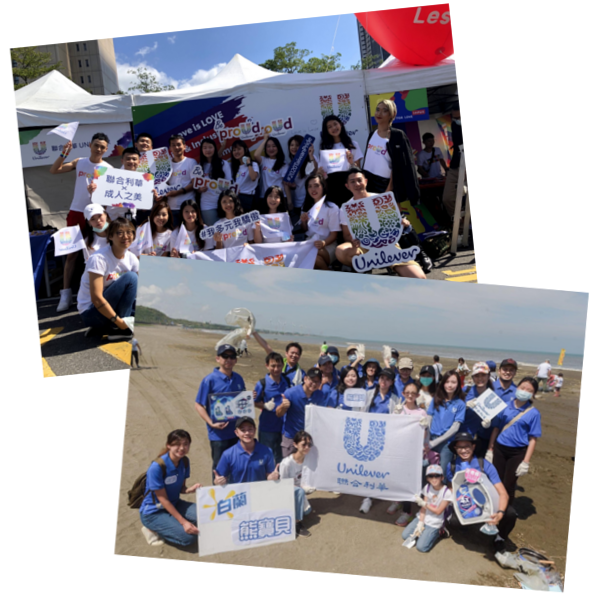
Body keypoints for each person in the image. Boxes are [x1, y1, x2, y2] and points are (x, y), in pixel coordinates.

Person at [214, 417, 312, 538]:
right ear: (236, 433)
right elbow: (218, 479)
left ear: (255, 430)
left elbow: (270, 475)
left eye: (250, 429)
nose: (247, 433)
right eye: (243, 430)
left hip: (261, 494)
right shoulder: (228, 454)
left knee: (298, 492)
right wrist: (218, 481)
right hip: (240, 498)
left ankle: (296, 523)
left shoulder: (266, 451)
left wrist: (272, 477)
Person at [50, 133, 111, 312]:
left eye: (102, 147)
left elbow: (108, 199)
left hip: (97, 215)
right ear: (90, 145)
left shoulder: (108, 168)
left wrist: (96, 193)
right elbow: (54, 171)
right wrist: (63, 154)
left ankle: (98, 292)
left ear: (106, 149)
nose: (99, 149)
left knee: (99, 252)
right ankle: (66, 294)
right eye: (96, 145)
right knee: (72, 254)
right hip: (76, 212)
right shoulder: (80, 162)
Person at [335, 168, 426, 279]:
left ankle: (392, 265)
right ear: (347, 186)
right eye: (352, 181)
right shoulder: (345, 208)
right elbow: (346, 235)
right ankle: (365, 267)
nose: (357, 184)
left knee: (419, 277)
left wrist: (402, 223)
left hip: (388, 246)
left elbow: (394, 225)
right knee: (340, 250)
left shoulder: (381, 199)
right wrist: (353, 241)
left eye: (359, 180)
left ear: (366, 181)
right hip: (362, 247)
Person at [445, 432, 515, 551]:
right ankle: (472, 526)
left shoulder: (485, 465)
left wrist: (500, 513)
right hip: (466, 502)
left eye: (467, 446)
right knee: (454, 522)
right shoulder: (451, 466)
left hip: (487, 502)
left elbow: (503, 494)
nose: (463, 450)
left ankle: (500, 538)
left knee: (511, 513)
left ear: (473, 447)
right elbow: (451, 487)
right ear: (455, 449)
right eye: (460, 447)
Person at [76, 217, 138, 342]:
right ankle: (117, 328)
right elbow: (96, 298)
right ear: (110, 236)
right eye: (119, 233)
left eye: (129, 232)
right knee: (131, 277)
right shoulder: (99, 258)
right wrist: (120, 322)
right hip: (91, 312)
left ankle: (104, 326)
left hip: (107, 308)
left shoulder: (131, 258)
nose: (125, 236)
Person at [139, 429, 202, 547]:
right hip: (154, 512)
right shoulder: (157, 467)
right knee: (189, 537)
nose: (182, 448)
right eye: (177, 444)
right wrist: (183, 522)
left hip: (174, 503)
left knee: (204, 515)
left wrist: (189, 490)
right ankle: (151, 529)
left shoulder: (184, 461)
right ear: (168, 445)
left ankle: (171, 522)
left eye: (185, 444)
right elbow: (163, 499)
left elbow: (181, 488)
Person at [194, 343, 246, 483]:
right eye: (225, 356)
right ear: (218, 358)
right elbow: (199, 404)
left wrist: (249, 399)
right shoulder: (209, 380)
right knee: (219, 469)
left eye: (232, 356)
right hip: (218, 434)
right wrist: (211, 423)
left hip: (236, 433)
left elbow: (242, 404)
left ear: (235, 360)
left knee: (236, 465)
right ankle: (217, 498)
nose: (228, 359)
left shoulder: (239, 379)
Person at [487, 377, 542, 506]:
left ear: (533, 394)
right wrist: (490, 449)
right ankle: (493, 506)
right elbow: (496, 428)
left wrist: (526, 462)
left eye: (529, 390)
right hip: (500, 448)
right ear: (517, 388)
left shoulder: (534, 413)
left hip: (517, 452)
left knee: (509, 484)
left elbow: (533, 439)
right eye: (522, 388)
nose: (524, 391)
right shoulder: (505, 405)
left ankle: (505, 511)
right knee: (496, 480)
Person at [358, 368, 401, 514]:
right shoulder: (368, 394)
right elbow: (360, 414)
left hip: (385, 439)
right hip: (368, 437)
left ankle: (381, 491)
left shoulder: (395, 399)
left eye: (387, 379)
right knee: (368, 467)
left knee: (381, 468)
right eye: (382, 378)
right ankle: (367, 498)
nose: (384, 381)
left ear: (392, 382)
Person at [389, 381, 430, 526]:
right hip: (399, 450)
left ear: (418, 395)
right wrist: (395, 415)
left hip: (413, 453)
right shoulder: (398, 409)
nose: (410, 395)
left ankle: (407, 512)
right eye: (407, 393)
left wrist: (425, 429)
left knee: (408, 482)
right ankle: (398, 500)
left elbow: (425, 435)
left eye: (413, 393)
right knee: (397, 478)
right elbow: (392, 429)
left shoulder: (421, 413)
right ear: (403, 394)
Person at [401, 464, 452, 552]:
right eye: (430, 476)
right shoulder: (427, 488)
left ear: (442, 477)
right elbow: (423, 508)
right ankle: (423, 533)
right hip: (424, 517)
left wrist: (424, 503)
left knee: (421, 547)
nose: (434, 478)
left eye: (437, 476)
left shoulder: (446, 492)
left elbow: (438, 511)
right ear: (427, 478)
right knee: (405, 536)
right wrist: (420, 522)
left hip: (435, 522)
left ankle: (438, 532)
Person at [278, 368, 326, 458]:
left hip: (309, 439)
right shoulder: (291, 393)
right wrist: (283, 406)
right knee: (288, 467)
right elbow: (278, 414)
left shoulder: (320, 395)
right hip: (291, 437)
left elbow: (320, 416)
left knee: (305, 469)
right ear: (305, 379)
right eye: (311, 380)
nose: (314, 384)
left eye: (317, 381)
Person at [427, 370, 466, 482]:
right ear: (443, 383)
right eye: (447, 381)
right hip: (430, 438)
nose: (450, 385)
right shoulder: (436, 398)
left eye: (453, 382)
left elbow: (455, 427)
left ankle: (442, 495)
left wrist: (435, 442)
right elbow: (429, 417)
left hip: (447, 444)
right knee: (428, 467)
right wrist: (427, 438)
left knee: (442, 472)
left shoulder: (460, 404)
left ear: (458, 384)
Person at [317, 115, 363, 207]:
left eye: (335, 124)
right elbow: (324, 173)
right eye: (329, 127)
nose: (334, 128)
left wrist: (351, 163)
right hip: (333, 188)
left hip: (350, 187)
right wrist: (320, 173)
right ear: (326, 130)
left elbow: (358, 170)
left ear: (341, 125)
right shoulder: (324, 148)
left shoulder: (353, 144)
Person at [253, 352, 290, 465]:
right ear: (267, 366)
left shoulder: (287, 381)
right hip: (267, 427)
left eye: (279, 365)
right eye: (273, 366)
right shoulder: (262, 384)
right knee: (266, 457)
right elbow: (254, 401)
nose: (276, 369)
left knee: (280, 459)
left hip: (283, 428)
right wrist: (264, 406)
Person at [299, 173, 341, 270]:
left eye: (316, 185)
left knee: (310, 255)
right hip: (310, 242)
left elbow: (334, 235)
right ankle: (329, 273)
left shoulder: (332, 208)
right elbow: (304, 229)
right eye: (310, 186)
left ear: (323, 186)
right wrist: (304, 221)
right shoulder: (305, 207)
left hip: (328, 245)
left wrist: (323, 243)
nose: (313, 189)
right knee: (314, 258)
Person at [280, 430, 315, 537]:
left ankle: (295, 511)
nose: (307, 447)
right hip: (287, 492)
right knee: (299, 492)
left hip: (299, 489)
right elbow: (283, 484)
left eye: (309, 444)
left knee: (307, 511)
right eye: (304, 444)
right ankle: (296, 524)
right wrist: (300, 489)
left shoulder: (309, 460)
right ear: (295, 444)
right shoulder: (286, 463)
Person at [462, 362, 496, 457]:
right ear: (472, 377)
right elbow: (452, 409)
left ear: (489, 376)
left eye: (483, 375)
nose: (480, 379)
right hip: (464, 435)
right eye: (477, 376)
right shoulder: (465, 390)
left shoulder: (493, 396)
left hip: (483, 438)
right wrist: (464, 407)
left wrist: (490, 424)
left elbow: (497, 420)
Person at [163, 135, 198, 227]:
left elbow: (195, 183)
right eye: (173, 145)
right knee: (174, 237)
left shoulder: (191, 162)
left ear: (184, 146)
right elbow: (162, 184)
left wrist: (179, 192)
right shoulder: (166, 165)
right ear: (170, 148)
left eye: (179, 144)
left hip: (189, 208)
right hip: (171, 208)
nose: (176, 147)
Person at [197, 138, 232, 226]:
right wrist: (200, 189)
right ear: (201, 150)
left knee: (227, 232)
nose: (207, 150)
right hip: (207, 205)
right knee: (213, 232)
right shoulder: (198, 166)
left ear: (215, 148)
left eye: (210, 147)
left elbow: (230, 184)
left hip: (225, 204)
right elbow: (196, 187)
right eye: (205, 148)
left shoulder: (223, 164)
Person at [362, 100, 395, 194]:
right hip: (367, 179)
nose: (379, 113)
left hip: (384, 182)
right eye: (377, 109)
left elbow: (396, 166)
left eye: (384, 110)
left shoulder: (395, 136)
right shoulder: (372, 134)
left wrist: (389, 188)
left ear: (392, 114)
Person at [285, 135, 318, 225]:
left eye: (297, 145)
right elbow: (287, 184)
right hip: (297, 203)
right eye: (291, 145)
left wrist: (311, 155)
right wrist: (292, 187)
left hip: (311, 200)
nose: (294, 147)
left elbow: (316, 172)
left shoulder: (312, 158)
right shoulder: (290, 165)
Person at [442, 102, 465, 219]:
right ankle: (460, 225)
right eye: (454, 117)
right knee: (447, 198)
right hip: (456, 165)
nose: (456, 120)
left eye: (458, 117)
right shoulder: (455, 125)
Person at [254, 136, 288, 205]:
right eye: (268, 146)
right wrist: (264, 140)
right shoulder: (263, 160)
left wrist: (289, 201)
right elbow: (256, 155)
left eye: (274, 146)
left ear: (278, 147)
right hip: (264, 197)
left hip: (279, 198)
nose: (271, 149)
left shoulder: (283, 164)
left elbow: (285, 184)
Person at [229, 139, 259, 212]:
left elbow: (253, 178)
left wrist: (249, 164)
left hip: (249, 198)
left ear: (245, 149)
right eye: (234, 150)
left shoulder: (253, 164)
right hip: (235, 198)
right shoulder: (233, 166)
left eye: (239, 149)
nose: (236, 152)